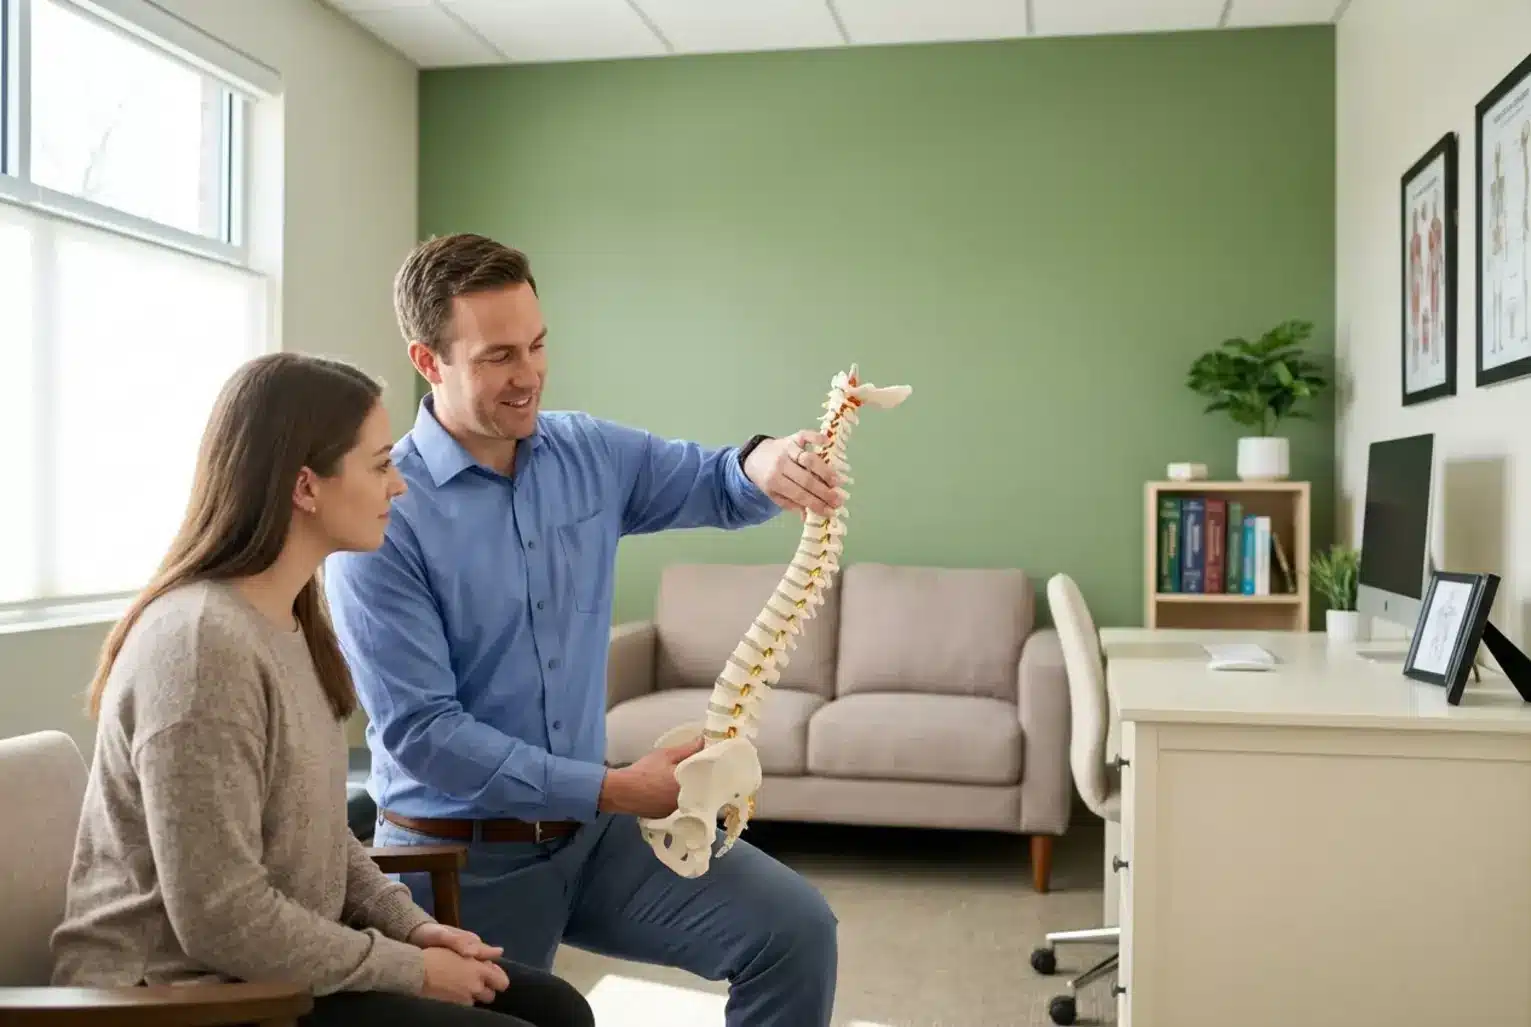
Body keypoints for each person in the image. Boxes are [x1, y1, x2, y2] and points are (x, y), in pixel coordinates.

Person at [323, 233, 843, 1027]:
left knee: (794, 932)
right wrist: (614, 787)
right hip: (461, 857)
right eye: (499, 356)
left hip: (592, 836)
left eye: (536, 344)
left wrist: (766, 461)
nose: (528, 373)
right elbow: (425, 735)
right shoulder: (385, 514)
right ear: (429, 361)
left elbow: (716, 479)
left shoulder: (586, 452)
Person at [50, 351, 595, 1027]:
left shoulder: (288, 621)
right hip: (179, 997)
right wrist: (411, 968)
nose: (399, 486)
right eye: (380, 464)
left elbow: (318, 833)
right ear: (306, 487)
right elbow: (221, 918)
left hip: (270, 972)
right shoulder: (200, 647)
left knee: (557, 1006)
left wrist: (413, 927)